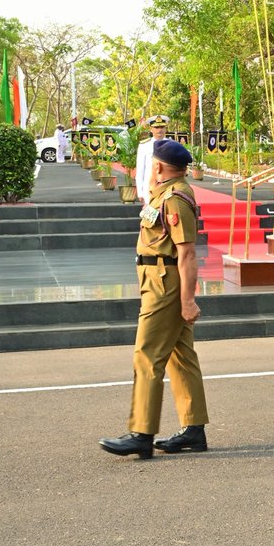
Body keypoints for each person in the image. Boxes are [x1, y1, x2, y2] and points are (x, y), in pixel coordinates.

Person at [100, 139, 209, 458]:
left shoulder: (175, 198)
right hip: (156, 278)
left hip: (165, 283)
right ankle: (193, 429)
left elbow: (187, 254)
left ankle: (141, 433)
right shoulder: (164, 192)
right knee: (181, 354)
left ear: (159, 165)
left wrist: (188, 300)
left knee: (147, 354)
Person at [135, 114, 170, 205]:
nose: (160, 130)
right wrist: (140, 192)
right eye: (156, 127)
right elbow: (140, 170)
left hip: (167, 186)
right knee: (151, 216)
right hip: (150, 187)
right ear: (151, 129)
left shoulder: (172, 145)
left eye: (162, 127)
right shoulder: (144, 146)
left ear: (166, 129)